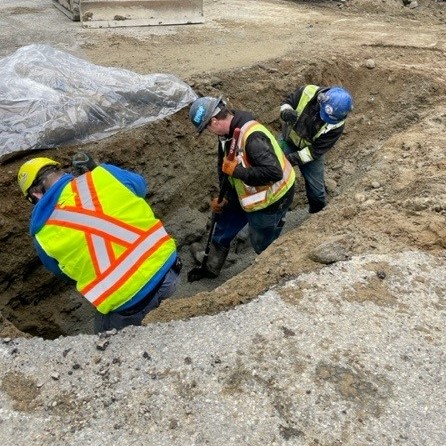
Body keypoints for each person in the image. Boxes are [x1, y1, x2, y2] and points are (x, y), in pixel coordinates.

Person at [17, 154, 181, 333]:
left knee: (106, 344)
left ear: (35, 195)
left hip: (128, 303)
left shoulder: (42, 234)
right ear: (59, 171)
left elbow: (64, 273)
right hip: (169, 267)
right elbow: (140, 188)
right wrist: (96, 170)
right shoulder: (102, 174)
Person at [188, 96, 296, 280]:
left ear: (214, 121)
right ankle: (211, 266)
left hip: (271, 200)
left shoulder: (252, 137)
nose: (208, 131)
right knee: (223, 222)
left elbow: (273, 172)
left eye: (206, 127)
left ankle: (273, 273)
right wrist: (224, 195)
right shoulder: (228, 134)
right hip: (243, 193)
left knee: (262, 244)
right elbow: (225, 165)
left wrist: (237, 172)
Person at [279, 85, 353, 213]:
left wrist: (289, 160)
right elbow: (286, 102)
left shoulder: (337, 125)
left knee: (317, 194)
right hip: (288, 140)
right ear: (321, 100)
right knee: (272, 170)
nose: (324, 119)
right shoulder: (307, 92)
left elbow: (314, 152)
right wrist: (286, 112)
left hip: (310, 151)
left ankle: (315, 218)